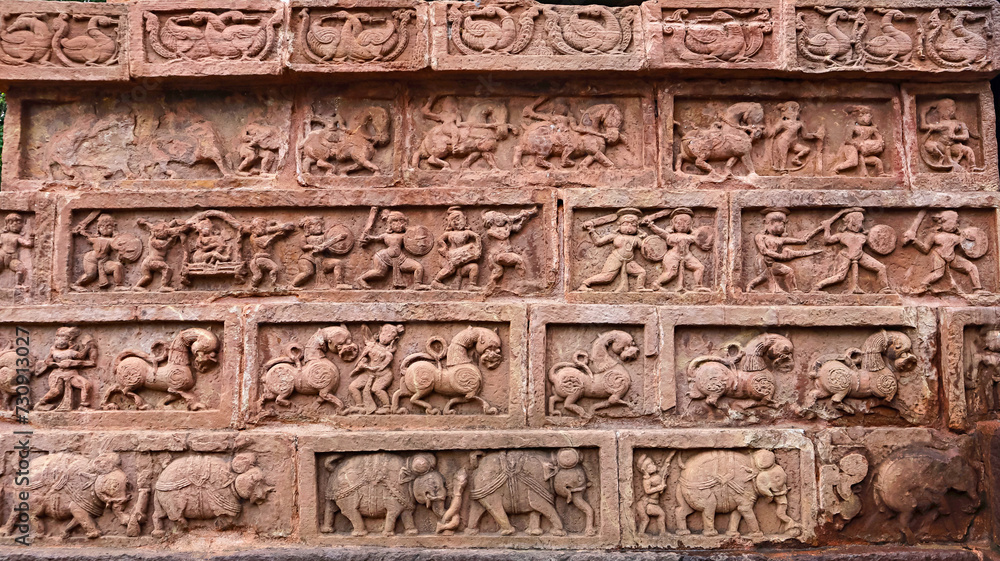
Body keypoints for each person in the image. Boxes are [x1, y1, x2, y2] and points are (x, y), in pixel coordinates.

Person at [904, 210, 985, 294]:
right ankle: (923, 285)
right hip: (939, 257)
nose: (957, 225)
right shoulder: (934, 236)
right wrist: (914, 241)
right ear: (944, 222)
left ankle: (978, 289)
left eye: (958, 223)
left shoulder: (957, 237)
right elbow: (925, 249)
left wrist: (970, 240)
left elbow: (966, 248)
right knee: (938, 274)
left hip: (952, 258)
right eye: (955, 222)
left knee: (971, 267)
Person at [812, 208, 891, 294]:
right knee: (840, 277)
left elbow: (875, 243)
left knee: (881, 267)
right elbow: (828, 240)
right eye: (860, 221)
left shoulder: (863, 235)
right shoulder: (843, 235)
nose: (861, 224)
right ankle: (818, 286)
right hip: (846, 255)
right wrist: (827, 228)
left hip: (860, 255)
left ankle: (884, 289)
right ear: (853, 222)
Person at [746, 208, 822, 293]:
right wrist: (780, 256)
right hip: (763, 261)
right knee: (767, 276)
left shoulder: (781, 239)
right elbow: (764, 251)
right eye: (782, 224)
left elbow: (803, 241)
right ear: (771, 223)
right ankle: (755, 287)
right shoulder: (760, 236)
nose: (784, 227)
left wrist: (819, 229)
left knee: (787, 271)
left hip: (772, 261)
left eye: (783, 224)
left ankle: (794, 290)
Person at [641, 208, 710, 292]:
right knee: (671, 273)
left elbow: (701, 239)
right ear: (673, 223)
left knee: (699, 267)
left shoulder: (691, 236)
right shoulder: (670, 235)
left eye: (687, 223)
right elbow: (660, 232)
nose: (683, 226)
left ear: (691, 224)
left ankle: (698, 286)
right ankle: (656, 284)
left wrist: (705, 242)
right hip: (673, 256)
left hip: (687, 256)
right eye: (679, 223)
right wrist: (651, 225)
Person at [579, 209, 649, 292]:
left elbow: (645, 249)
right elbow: (598, 242)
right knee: (607, 277)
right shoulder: (615, 236)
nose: (629, 228)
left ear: (637, 227)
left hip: (628, 262)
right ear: (619, 226)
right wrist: (591, 230)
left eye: (633, 225)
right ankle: (585, 284)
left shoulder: (636, 239)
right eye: (626, 224)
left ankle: (639, 287)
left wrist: (647, 239)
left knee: (641, 272)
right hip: (616, 259)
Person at [357, 211, 428, 290]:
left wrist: (406, 228)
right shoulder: (385, 235)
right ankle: (362, 279)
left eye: (401, 221)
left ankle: (417, 285)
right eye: (395, 222)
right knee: (379, 273)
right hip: (383, 257)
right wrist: (368, 238)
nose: (398, 224)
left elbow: (413, 235)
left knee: (418, 267)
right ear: (390, 224)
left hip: (400, 259)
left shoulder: (404, 235)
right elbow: (375, 238)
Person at [345, 324, 404, 415]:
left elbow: (380, 368)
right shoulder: (371, 345)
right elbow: (361, 358)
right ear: (379, 333)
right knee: (353, 386)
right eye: (383, 334)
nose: (384, 338)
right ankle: (360, 406)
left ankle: (387, 407)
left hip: (383, 375)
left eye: (389, 337)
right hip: (369, 373)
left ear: (393, 339)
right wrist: (362, 363)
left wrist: (367, 367)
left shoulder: (388, 354)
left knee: (376, 389)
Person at [35, 327, 97, 411]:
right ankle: (40, 404)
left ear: (69, 340)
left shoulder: (72, 351)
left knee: (86, 384)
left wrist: (88, 347)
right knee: (56, 391)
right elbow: (48, 361)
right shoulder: (53, 351)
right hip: (57, 375)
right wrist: (57, 364)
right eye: (58, 337)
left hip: (71, 374)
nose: (61, 340)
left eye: (64, 338)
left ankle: (83, 406)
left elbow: (81, 356)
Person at [0, 213, 33, 288]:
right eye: (11, 222)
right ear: (7, 225)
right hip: (1, 255)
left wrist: (32, 238)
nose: (14, 224)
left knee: (21, 269)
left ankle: (18, 284)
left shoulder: (17, 237)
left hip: (12, 259)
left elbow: (28, 244)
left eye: (18, 222)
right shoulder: (2, 236)